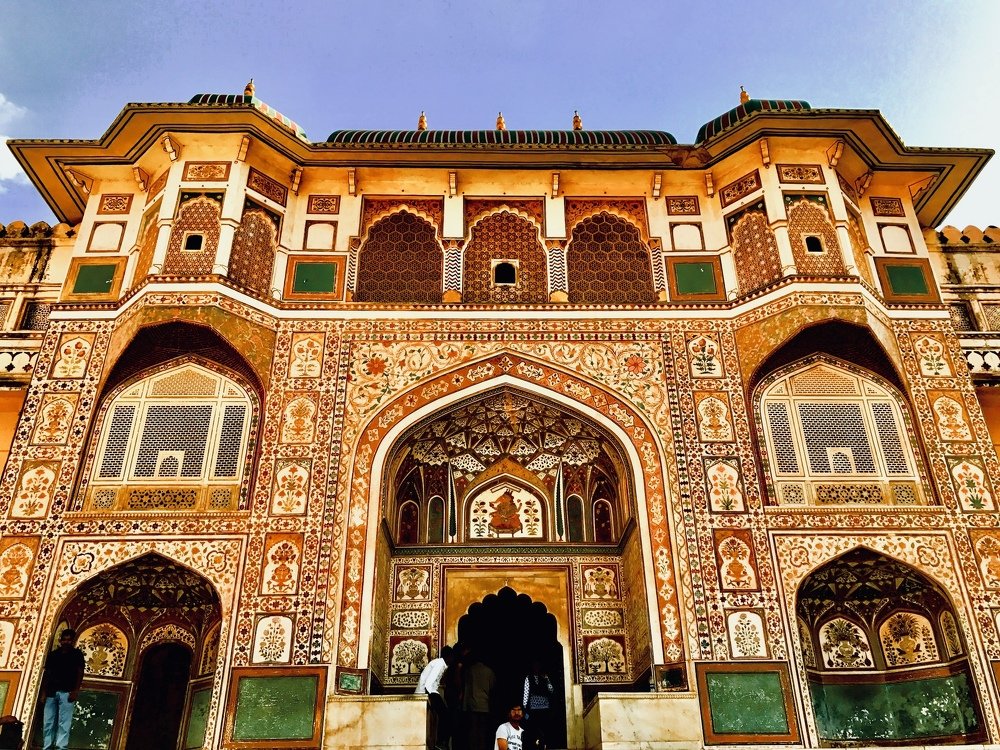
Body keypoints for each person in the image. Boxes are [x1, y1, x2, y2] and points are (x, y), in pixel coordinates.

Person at [41, 628, 84, 750]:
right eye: (64, 640)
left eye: (69, 640)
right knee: (48, 722)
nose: (66, 642)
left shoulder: (77, 655)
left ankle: (61, 747)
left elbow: (80, 673)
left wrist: (75, 691)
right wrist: (43, 693)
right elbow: (47, 674)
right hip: (51, 692)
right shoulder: (53, 655)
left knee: (64, 723)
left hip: (67, 692)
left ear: (73, 641)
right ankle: (47, 747)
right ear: (60, 641)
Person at [416, 645, 455, 750]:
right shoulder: (439, 664)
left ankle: (441, 742)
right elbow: (429, 683)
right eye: (453, 657)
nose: (453, 659)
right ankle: (441, 743)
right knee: (446, 716)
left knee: (445, 716)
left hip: (430, 692)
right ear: (449, 656)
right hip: (429, 692)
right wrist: (432, 698)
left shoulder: (440, 664)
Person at [462, 650, 496, 750]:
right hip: (484, 704)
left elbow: (466, 688)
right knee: (482, 730)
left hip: (472, 704)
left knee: (473, 729)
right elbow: (493, 687)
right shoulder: (489, 671)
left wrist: (464, 705)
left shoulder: (470, 670)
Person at [522, 659, 555, 750]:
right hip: (533, 708)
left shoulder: (544, 677)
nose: (536, 668)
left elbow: (551, 690)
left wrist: (547, 679)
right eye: (535, 666)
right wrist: (525, 708)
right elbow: (526, 692)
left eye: (538, 666)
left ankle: (543, 745)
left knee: (544, 728)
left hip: (545, 707)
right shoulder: (528, 678)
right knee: (534, 729)